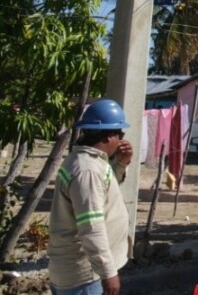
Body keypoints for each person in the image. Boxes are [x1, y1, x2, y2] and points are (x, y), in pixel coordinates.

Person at [48, 99, 134, 295]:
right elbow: (91, 228)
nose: (121, 140)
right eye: (120, 134)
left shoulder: (89, 163)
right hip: (85, 277)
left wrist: (120, 165)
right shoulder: (88, 171)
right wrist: (108, 273)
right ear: (107, 137)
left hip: (86, 274)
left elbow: (101, 193)